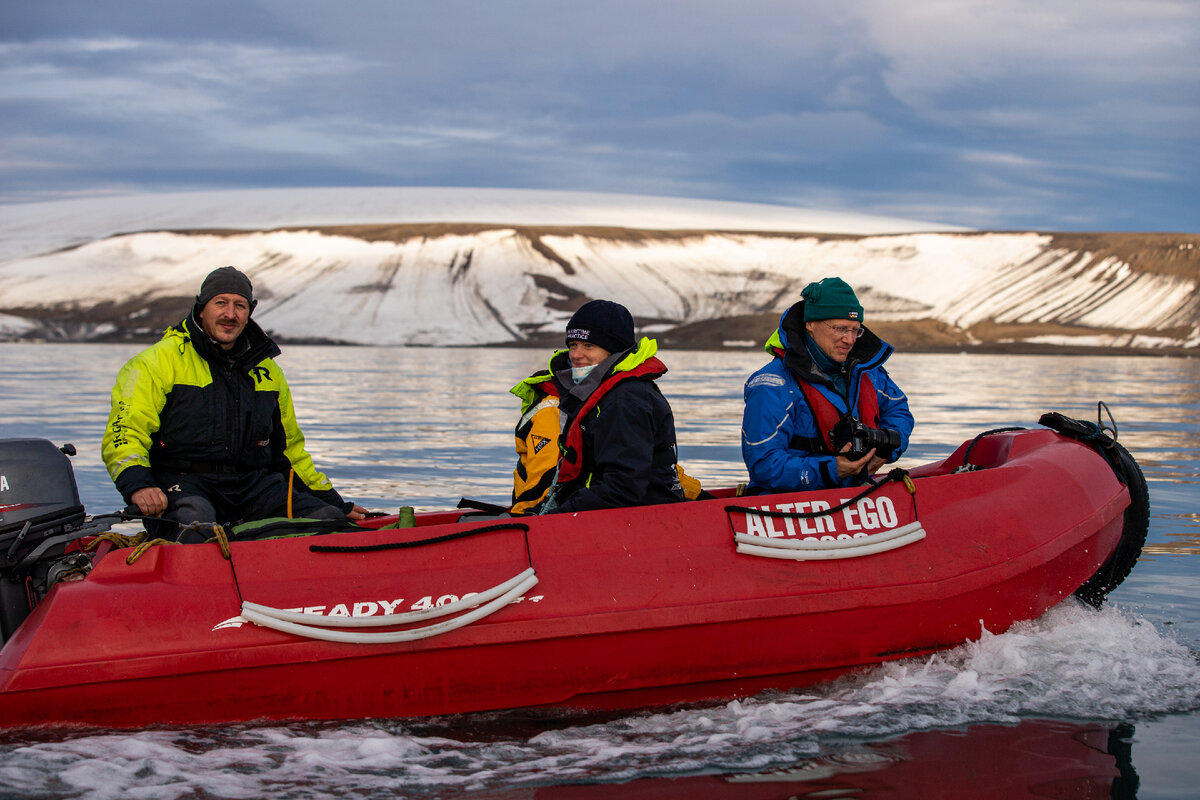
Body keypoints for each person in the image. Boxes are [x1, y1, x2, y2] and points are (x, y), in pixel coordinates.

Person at [102, 266, 366, 540]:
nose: (230, 314)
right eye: (221, 303)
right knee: (196, 529)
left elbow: (290, 452)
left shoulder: (268, 372)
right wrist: (139, 486)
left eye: (240, 305)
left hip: (253, 487)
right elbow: (124, 433)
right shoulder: (154, 363)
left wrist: (333, 502)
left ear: (249, 312)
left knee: (328, 522)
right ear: (202, 308)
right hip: (182, 486)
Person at [509, 299, 685, 514]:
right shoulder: (596, 392)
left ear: (613, 350)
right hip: (604, 512)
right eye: (573, 344)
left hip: (642, 518)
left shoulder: (625, 400)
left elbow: (623, 489)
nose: (576, 354)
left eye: (588, 345)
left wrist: (554, 518)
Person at [741, 277, 913, 493]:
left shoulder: (869, 372)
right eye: (840, 329)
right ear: (810, 325)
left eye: (855, 330)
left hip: (855, 496)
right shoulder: (772, 385)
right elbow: (763, 465)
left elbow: (899, 410)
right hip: (788, 507)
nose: (849, 340)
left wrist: (886, 450)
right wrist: (830, 470)